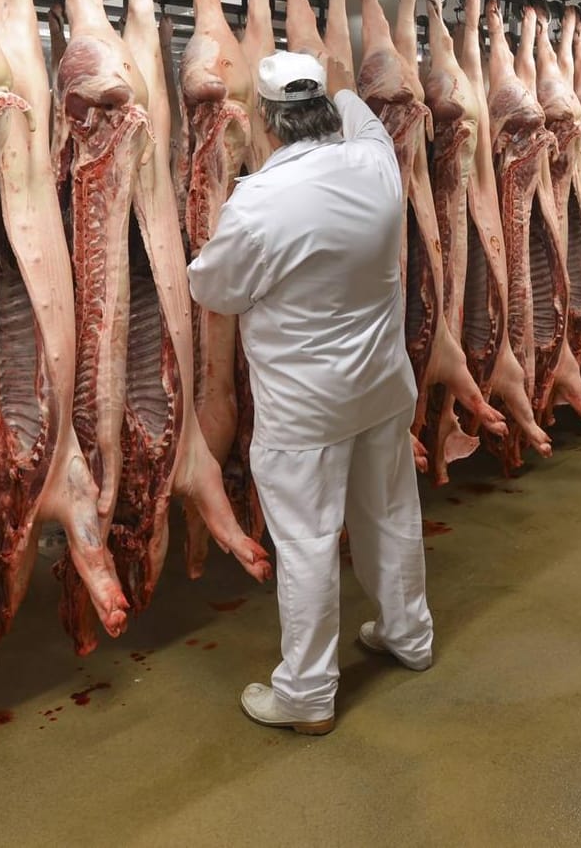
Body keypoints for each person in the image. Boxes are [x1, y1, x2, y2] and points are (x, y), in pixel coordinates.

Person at [188, 49, 434, 736]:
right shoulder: (374, 161)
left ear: (265, 123)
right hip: (381, 385)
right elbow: (358, 109)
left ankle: (306, 695)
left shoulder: (260, 202)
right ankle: (408, 635)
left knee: (306, 542)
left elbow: (216, 288)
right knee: (389, 516)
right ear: (323, 108)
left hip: (305, 408)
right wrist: (328, 72)